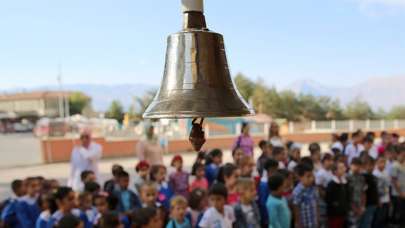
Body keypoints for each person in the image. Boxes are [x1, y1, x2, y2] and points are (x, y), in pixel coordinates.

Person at [292, 163, 319, 228]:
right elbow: (296, 208)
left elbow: (316, 204)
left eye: (312, 176)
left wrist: (318, 218)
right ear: (300, 177)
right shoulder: (298, 191)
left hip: (313, 222)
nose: (311, 179)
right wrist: (298, 223)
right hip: (304, 223)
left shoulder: (313, 188)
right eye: (308, 176)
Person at [325, 161, 350, 228]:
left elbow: (347, 196)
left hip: (343, 212)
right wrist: (336, 205)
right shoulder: (331, 184)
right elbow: (328, 199)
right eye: (341, 168)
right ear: (335, 171)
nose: (344, 169)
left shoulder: (345, 182)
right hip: (334, 214)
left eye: (344, 167)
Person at [257, 158, 279, 227]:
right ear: (271, 170)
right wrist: (267, 219)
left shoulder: (269, 181)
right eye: (275, 170)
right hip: (267, 218)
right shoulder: (264, 184)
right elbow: (263, 203)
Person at [347, 158, 366, 228]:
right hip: (350, 208)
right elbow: (347, 196)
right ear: (350, 165)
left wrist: (362, 206)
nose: (356, 167)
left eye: (358, 166)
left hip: (360, 206)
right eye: (355, 165)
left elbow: (363, 192)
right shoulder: (347, 177)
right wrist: (355, 208)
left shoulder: (361, 177)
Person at [372, 155, 390, 228]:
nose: (382, 164)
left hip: (386, 198)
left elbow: (387, 186)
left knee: (383, 217)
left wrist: (389, 199)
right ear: (376, 163)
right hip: (379, 199)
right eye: (380, 162)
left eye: (384, 162)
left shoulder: (385, 172)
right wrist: (378, 200)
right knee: (377, 218)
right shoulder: (375, 173)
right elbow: (376, 189)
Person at [390, 146, 405, 227]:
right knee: (399, 213)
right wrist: (400, 193)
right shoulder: (395, 165)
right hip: (398, 194)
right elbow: (394, 181)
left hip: (404, 192)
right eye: (402, 155)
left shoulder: (404, 164)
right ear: (398, 155)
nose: (403, 157)